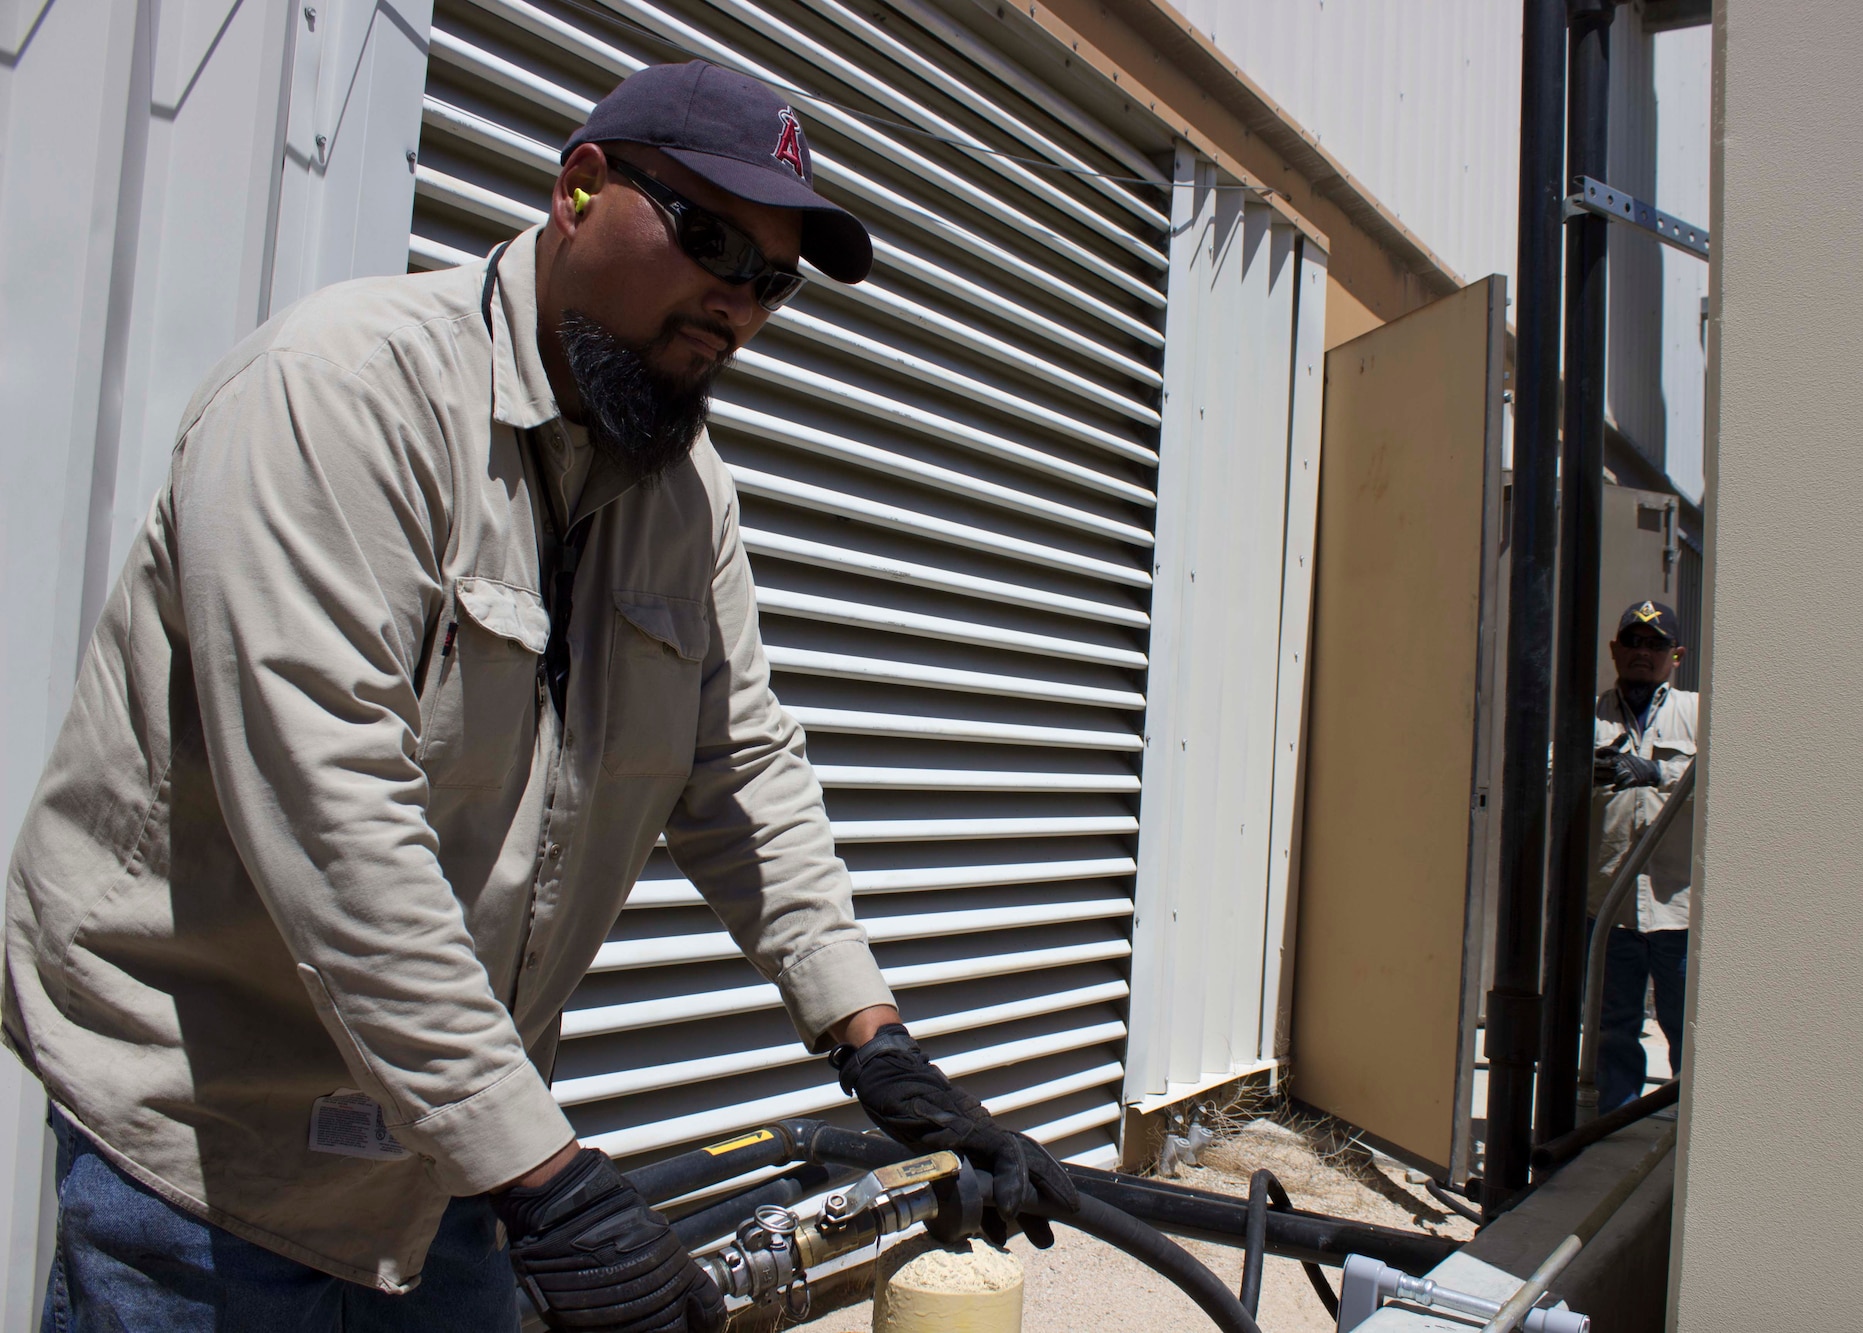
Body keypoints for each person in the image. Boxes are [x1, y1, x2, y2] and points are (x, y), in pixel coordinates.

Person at [3, 61, 1074, 1332]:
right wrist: (549, 1178)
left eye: (769, 279)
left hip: (453, 1164)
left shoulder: (687, 499)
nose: (733, 302)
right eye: (711, 237)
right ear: (577, 188)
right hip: (213, 1164)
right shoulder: (341, 395)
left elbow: (742, 773)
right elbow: (332, 820)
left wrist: (871, 1039)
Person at [1588, 599, 1700, 1111]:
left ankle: (1682, 1128)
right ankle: (1616, 1122)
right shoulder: (1588, 716)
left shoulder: (1698, 713)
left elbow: (1728, 784)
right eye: (1633, 641)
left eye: (1656, 645)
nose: (1642, 652)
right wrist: (1587, 770)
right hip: (1611, 906)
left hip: (1677, 905)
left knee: (1686, 1025)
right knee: (1614, 1026)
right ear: (1615, 649)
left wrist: (1658, 773)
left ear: (1675, 656)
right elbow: (1543, 777)